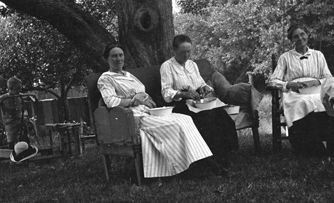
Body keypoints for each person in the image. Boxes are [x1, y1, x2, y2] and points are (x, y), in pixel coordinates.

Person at [97, 42, 215, 179]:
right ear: (107, 59)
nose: (118, 59)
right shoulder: (106, 79)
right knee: (172, 125)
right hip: (132, 117)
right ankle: (181, 168)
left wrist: (148, 100)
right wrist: (134, 100)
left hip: (147, 111)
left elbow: (141, 93)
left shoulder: (128, 75)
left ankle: (198, 161)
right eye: (114, 56)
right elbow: (111, 102)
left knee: (184, 119)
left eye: (120, 55)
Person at [160, 35, 239, 166]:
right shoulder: (167, 66)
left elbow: (201, 83)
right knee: (209, 119)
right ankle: (211, 160)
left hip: (198, 104)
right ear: (174, 50)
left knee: (222, 115)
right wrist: (183, 94)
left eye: (189, 52)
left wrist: (205, 88)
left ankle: (225, 155)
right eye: (182, 52)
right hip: (181, 106)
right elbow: (166, 92)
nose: (186, 55)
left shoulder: (192, 65)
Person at [268, 24, 334, 157]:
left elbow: (328, 77)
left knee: (324, 101)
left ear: (307, 35)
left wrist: (316, 81)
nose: (300, 38)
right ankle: (313, 148)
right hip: (295, 93)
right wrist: (288, 85)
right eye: (296, 36)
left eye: (302, 34)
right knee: (304, 102)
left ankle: (333, 145)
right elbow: (273, 81)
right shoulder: (285, 58)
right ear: (291, 40)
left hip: (316, 89)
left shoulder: (318, 55)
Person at [0, 77, 39, 163]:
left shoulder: (19, 96)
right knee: (11, 135)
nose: (19, 91)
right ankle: (11, 153)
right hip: (10, 121)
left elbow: (30, 98)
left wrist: (33, 97)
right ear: (10, 89)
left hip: (20, 118)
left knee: (26, 129)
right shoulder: (4, 97)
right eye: (17, 89)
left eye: (20, 89)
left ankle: (26, 149)